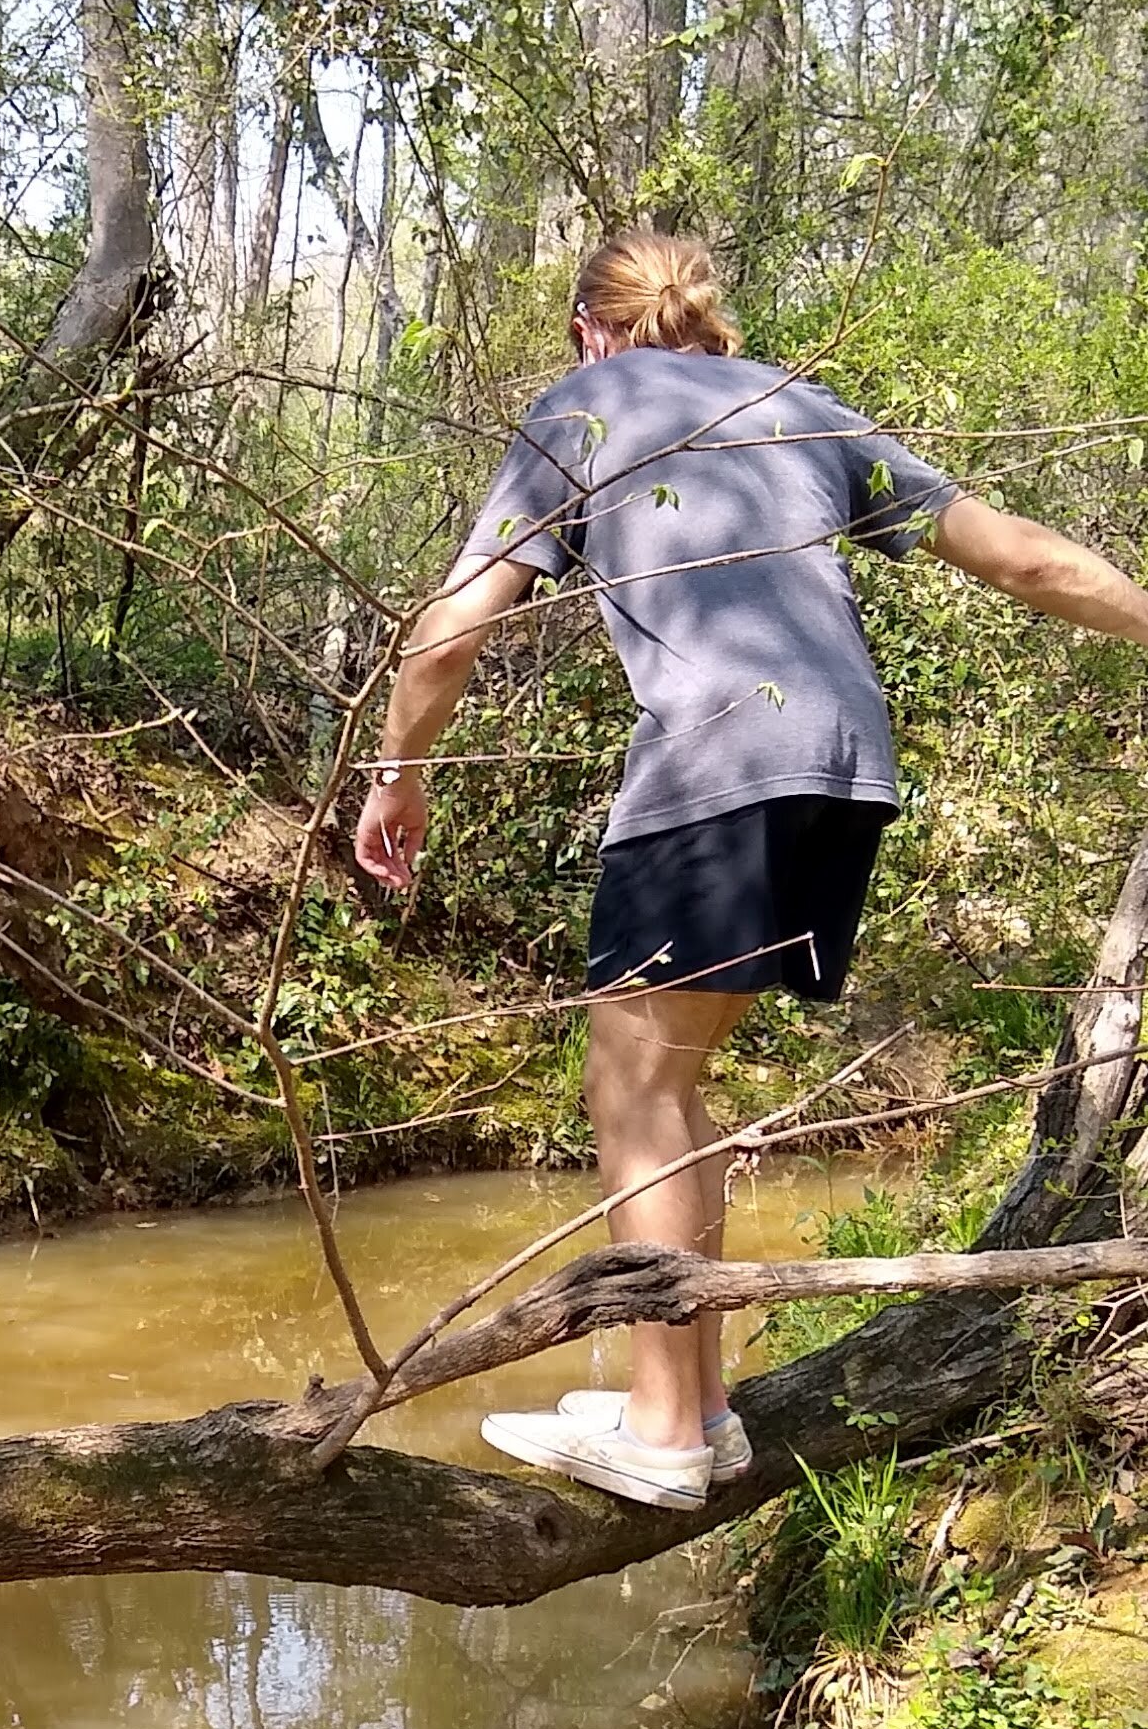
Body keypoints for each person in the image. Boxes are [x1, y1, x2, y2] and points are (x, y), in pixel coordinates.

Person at [353, 226, 1148, 1511]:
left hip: (717, 770)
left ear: (587, 330)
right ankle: (700, 1406)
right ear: (706, 320)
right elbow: (1020, 557)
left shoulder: (585, 407)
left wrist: (399, 774)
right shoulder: (796, 406)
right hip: (846, 770)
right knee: (673, 1081)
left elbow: (450, 631)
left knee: (633, 1089)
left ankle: (664, 1432)